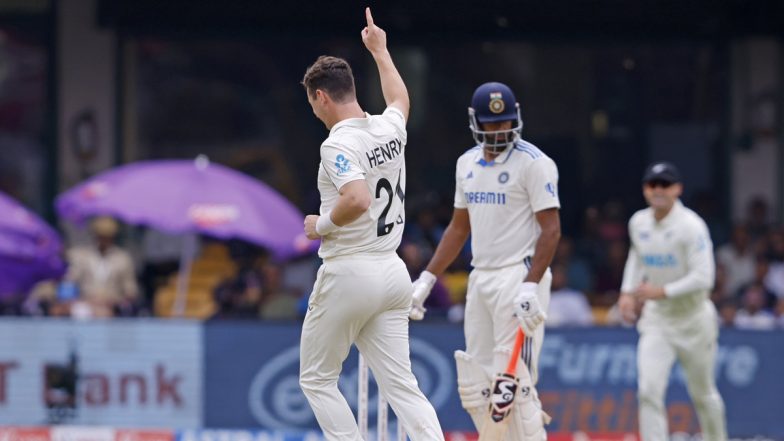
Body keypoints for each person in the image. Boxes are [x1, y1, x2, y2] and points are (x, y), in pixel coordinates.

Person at [298, 8, 444, 441]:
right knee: (404, 386)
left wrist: (321, 225)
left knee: (317, 379)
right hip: (392, 270)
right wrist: (380, 51)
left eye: (311, 101)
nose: (312, 109)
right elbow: (400, 100)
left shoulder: (337, 143)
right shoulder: (386, 128)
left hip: (351, 270)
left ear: (322, 96)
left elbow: (357, 198)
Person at [410, 81, 560, 440]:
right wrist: (427, 279)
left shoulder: (535, 164)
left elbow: (551, 231)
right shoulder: (466, 163)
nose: (499, 130)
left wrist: (530, 284)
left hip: (519, 274)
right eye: (491, 124)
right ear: (475, 122)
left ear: (516, 119)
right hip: (482, 277)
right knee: (476, 384)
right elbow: (459, 229)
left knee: (513, 386)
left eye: (505, 122)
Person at [617, 162, 727, 441]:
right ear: (645, 189)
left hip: (694, 319)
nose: (658, 190)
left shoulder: (691, 226)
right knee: (649, 391)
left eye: (665, 184)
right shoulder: (638, 222)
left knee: (703, 394)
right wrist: (628, 292)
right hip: (658, 320)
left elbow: (704, 277)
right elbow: (636, 257)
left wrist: (662, 291)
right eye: (652, 184)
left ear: (678, 189)